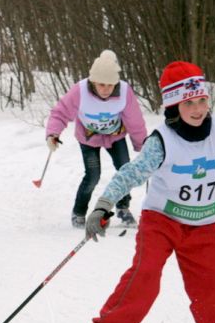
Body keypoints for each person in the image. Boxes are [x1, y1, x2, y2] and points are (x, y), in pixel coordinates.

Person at [83, 61, 215, 323]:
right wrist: (104, 204)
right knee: (145, 276)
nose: (198, 109)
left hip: (203, 224)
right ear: (173, 105)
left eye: (202, 100)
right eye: (188, 103)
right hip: (162, 222)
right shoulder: (162, 140)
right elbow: (131, 173)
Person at [45, 49, 148, 228]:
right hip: (88, 139)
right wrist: (53, 134)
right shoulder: (80, 90)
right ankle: (79, 212)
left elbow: (135, 120)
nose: (106, 89)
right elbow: (60, 113)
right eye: (101, 84)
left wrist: (142, 144)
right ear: (93, 81)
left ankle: (123, 208)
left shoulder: (124, 91)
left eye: (110, 85)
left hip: (115, 136)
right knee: (93, 175)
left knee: (125, 171)